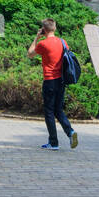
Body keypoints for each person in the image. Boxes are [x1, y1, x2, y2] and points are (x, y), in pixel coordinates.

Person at [27, 18, 77, 149]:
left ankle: (54, 143)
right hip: (61, 80)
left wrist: (37, 37)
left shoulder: (43, 44)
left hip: (49, 81)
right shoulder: (62, 42)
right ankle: (70, 131)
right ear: (54, 28)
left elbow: (30, 54)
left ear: (44, 29)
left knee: (49, 111)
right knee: (58, 110)